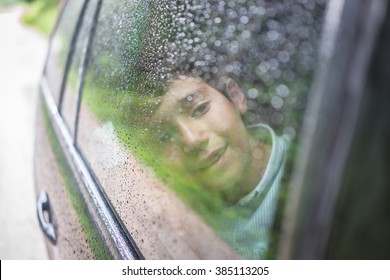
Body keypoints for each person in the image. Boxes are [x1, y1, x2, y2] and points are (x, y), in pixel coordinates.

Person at [148, 75, 288, 259]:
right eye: (165, 137)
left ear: (235, 96)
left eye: (200, 109)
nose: (192, 139)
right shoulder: (180, 218)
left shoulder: (310, 172)